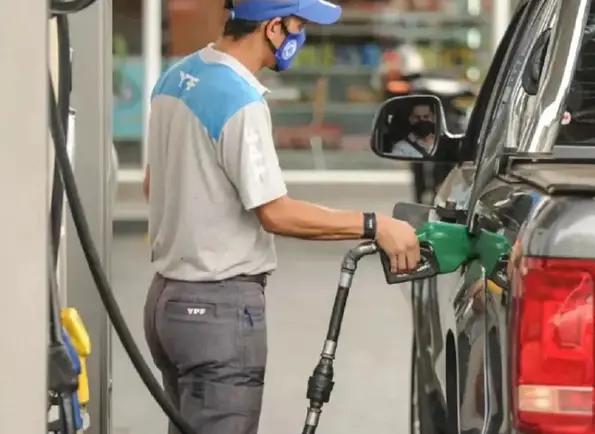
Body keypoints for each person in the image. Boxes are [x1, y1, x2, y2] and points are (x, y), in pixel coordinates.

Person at [140, 0, 421, 433]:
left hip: (167, 307)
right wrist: (375, 224)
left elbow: (150, 185)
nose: (300, 37)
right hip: (218, 312)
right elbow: (275, 212)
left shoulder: (175, 78)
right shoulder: (241, 100)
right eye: (299, 25)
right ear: (274, 28)